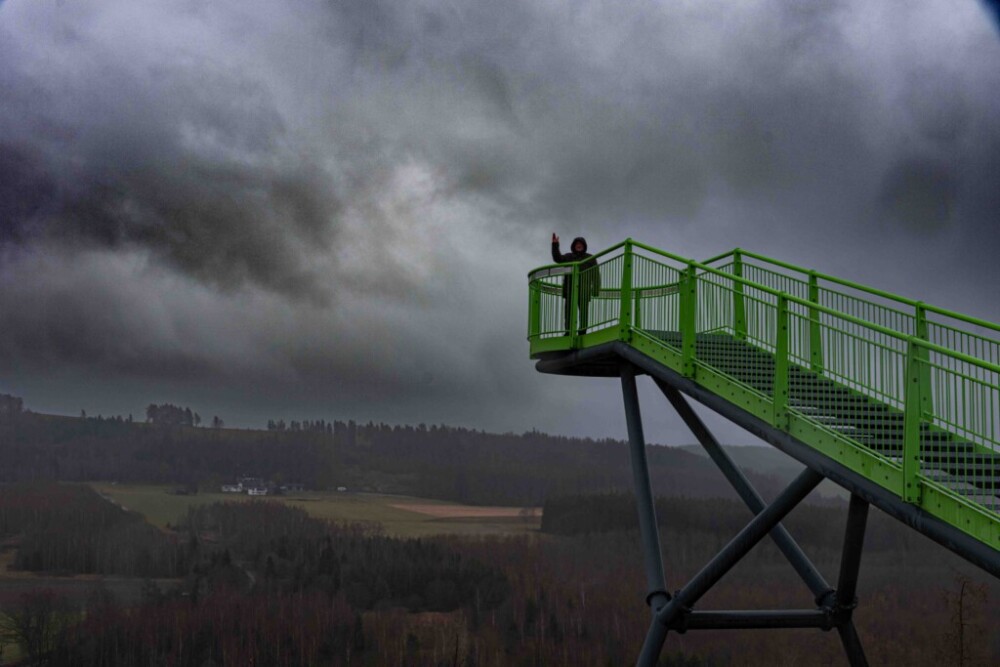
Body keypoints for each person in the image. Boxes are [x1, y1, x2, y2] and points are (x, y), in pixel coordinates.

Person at [551, 233, 600, 334]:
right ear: (573, 246)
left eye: (581, 244)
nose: (579, 245)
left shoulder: (590, 258)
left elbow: (596, 275)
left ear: (584, 246)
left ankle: (582, 331)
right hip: (570, 289)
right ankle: (568, 331)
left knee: (583, 312)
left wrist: (595, 290)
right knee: (568, 312)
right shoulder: (569, 256)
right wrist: (555, 245)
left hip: (584, 290)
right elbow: (558, 259)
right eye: (577, 244)